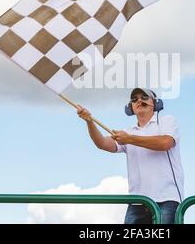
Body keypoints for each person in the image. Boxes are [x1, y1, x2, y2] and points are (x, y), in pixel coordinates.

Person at [76, 87, 184, 224]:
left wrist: (130, 139)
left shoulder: (167, 121)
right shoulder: (128, 132)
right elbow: (102, 143)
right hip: (137, 201)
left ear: (155, 103)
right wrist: (89, 122)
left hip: (167, 198)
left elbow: (165, 142)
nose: (139, 100)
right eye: (134, 99)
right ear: (131, 107)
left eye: (144, 97)